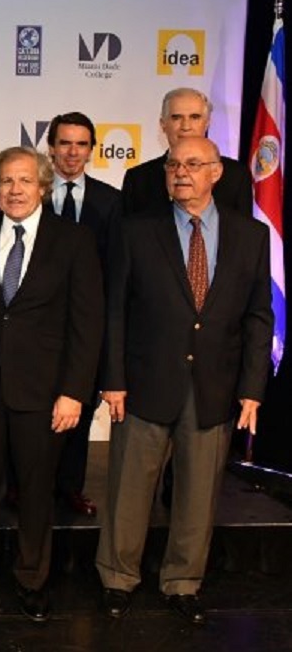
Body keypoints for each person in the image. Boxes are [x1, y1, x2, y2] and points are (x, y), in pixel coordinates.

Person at [96, 136, 272, 625]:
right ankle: (117, 577)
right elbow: (114, 313)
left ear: (216, 172)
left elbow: (259, 318)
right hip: (144, 381)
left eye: (193, 164)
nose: (180, 172)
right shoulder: (136, 231)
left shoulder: (250, 236)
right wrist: (113, 379)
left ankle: (182, 581)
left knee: (198, 494)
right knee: (129, 488)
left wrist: (253, 389)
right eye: (174, 163)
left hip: (214, 386)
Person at [0, 146, 103, 622]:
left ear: (43, 186)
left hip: (45, 394)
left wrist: (75, 392)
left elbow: (87, 323)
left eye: (24, 181)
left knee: (37, 491)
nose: (15, 190)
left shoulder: (73, 240)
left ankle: (32, 578)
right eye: (6, 182)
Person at [42, 112, 121, 517]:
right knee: (35, 415)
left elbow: (115, 271)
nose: (72, 152)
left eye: (81, 144)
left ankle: (70, 488)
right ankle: (25, 488)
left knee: (80, 409)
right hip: (38, 329)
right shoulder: (31, 194)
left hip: (86, 327)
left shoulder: (111, 201)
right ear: (51, 147)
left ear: (92, 149)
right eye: (64, 143)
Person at [122, 87, 253, 216]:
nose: (186, 126)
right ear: (163, 124)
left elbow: (244, 233)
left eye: (194, 117)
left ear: (207, 123)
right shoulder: (138, 179)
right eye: (176, 118)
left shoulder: (236, 176)